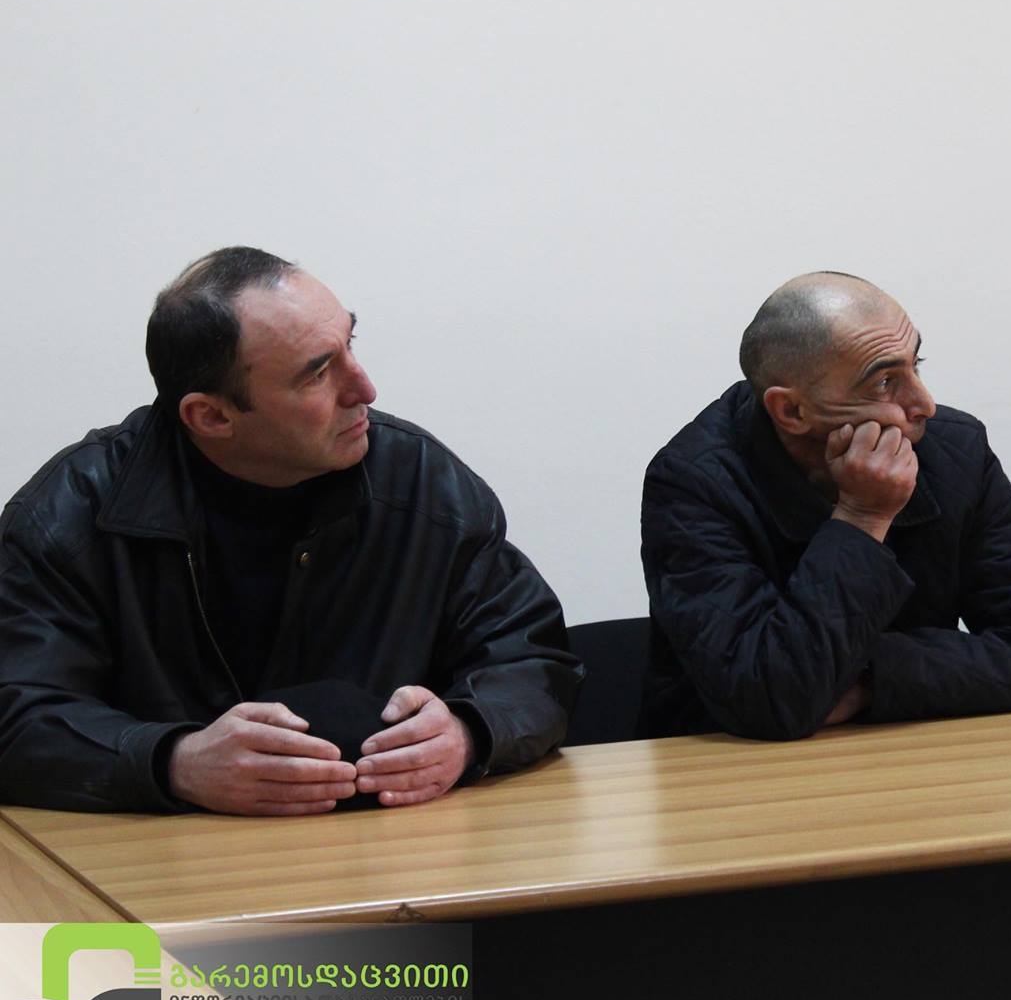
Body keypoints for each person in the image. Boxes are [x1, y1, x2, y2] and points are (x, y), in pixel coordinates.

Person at [0, 248, 581, 816]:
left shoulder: (425, 486)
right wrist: (174, 761)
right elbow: (18, 716)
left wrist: (468, 730)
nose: (364, 389)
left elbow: (531, 658)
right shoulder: (69, 517)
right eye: (318, 373)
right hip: (157, 859)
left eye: (350, 343)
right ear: (212, 416)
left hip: (389, 849)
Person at [641, 272, 1011, 740]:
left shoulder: (955, 452)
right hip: (727, 769)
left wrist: (869, 679)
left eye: (916, 365)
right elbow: (770, 698)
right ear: (792, 411)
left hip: (905, 754)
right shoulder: (693, 483)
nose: (925, 405)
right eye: (885, 382)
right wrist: (862, 518)